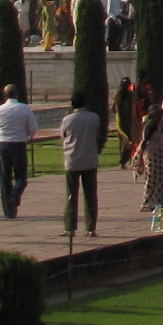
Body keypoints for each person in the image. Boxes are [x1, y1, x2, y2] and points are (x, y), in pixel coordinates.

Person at [0, 84, 39, 219]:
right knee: (21, 177)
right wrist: (26, 134)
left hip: (3, 145)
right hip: (19, 144)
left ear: (4, 96)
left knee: (5, 177)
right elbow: (33, 128)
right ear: (17, 94)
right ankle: (15, 194)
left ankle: (8, 210)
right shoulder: (24, 109)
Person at [59, 90, 104, 237]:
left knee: (71, 195)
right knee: (90, 195)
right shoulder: (94, 117)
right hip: (89, 160)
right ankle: (90, 228)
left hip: (72, 160)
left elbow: (63, 136)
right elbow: (97, 135)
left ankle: (70, 227)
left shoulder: (67, 120)